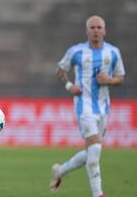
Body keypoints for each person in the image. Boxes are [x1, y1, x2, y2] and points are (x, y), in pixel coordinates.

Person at [50, 15, 125, 197]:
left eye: (99, 27)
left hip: (103, 108)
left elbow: (121, 78)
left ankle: (60, 171)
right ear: (86, 31)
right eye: (92, 27)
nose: (96, 31)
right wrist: (70, 86)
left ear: (105, 31)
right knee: (95, 149)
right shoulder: (76, 52)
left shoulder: (113, 52)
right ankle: (98, 194)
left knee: (92, 152)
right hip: (84, 107)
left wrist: (109, 80)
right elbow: (60, 71)